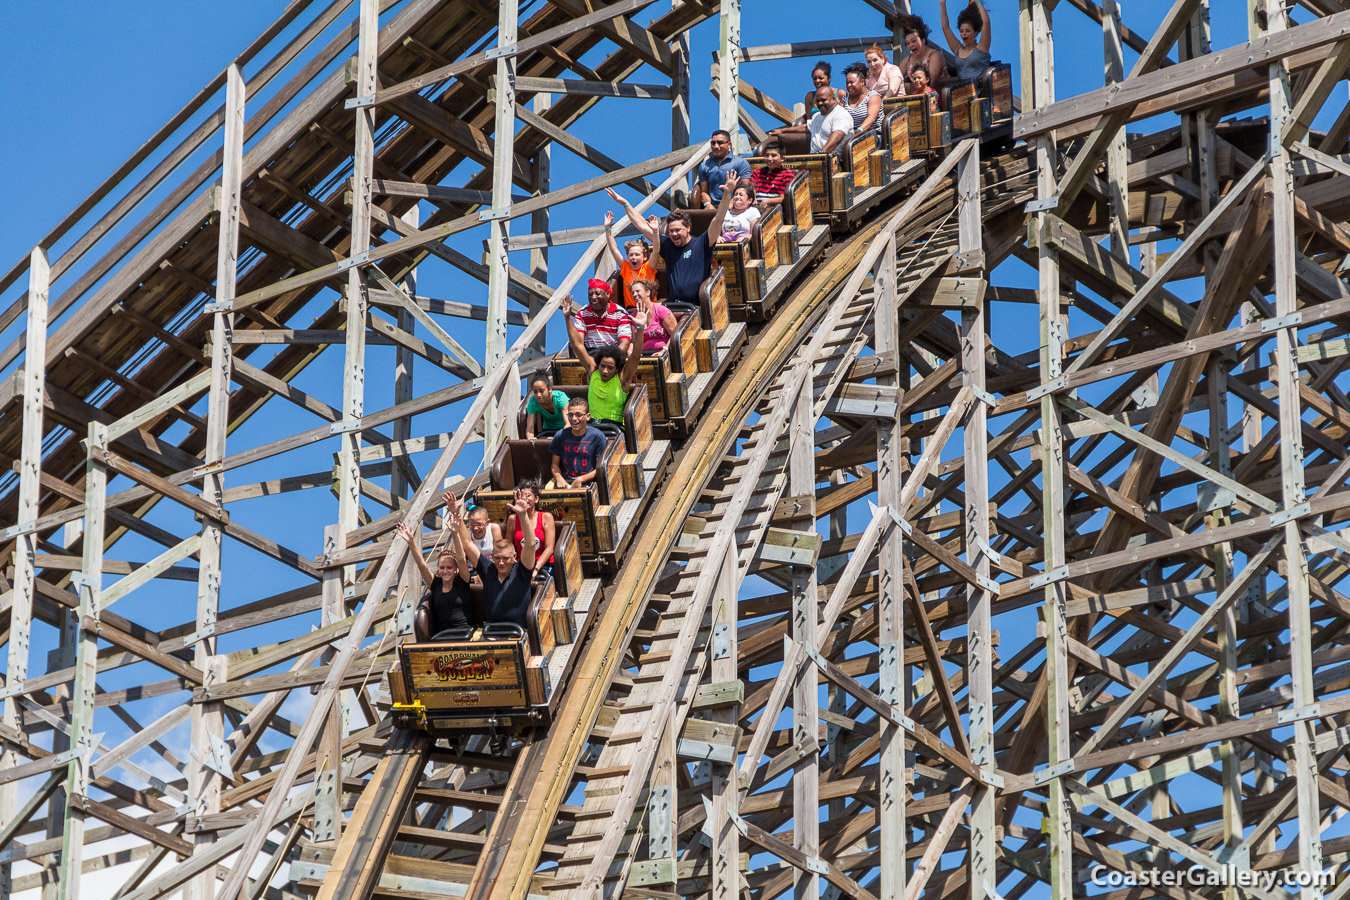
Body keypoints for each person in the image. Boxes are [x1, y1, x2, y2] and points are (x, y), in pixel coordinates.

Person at [618, 171, 739, 306]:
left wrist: (727, 194)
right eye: (671, 231)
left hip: (696, 307)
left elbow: (718, 219)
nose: (674, 234)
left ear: (688, 228)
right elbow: (642, 225)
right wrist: (625, 204)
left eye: (678, 230)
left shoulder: (701, 243)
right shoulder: (667, 244)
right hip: (672, 306)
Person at [395, 496, 479, 640]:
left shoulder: (462, 581)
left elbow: (460, 558)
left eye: (449, 568)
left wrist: (454, 532)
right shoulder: (435, 584)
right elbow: (422, 565)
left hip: (465, 634)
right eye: (442, 568)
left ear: (455, 570)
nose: (445, 571)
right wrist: (411, 542)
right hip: (443, 637)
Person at [450, 489, 537, 628]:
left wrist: (522, 515)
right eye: (497, 558)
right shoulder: (488, 569)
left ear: (514, 557)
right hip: (492, 632)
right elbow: (467, 543)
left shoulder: (522, 570)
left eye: (505, 558)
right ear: (492, 557)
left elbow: (531, 544)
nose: (500, 563)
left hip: (518, 633)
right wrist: (456, 514)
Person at [563, 294, 649, 429]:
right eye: (602, 366)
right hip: (592, 428)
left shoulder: (622, 379)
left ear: (616, 369)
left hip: (614, 430)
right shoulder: (593, 371)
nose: (604, 370)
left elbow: (636, 356)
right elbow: (578, 345)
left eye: (610, 368)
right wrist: (567, 318)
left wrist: (640, 328)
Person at [602, 191, 657, 308]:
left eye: (637, 255)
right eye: (631, 255)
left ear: (644, 257)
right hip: (631, 311)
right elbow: (613, 248)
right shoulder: (626, 267)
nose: (633, 258)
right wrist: (608, 229)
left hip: (649, 308)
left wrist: (655, 231)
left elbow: (657, 249)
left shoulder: (648, 268)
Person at [769, 88, 851, 155]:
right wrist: (782, 130)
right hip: (815, 158)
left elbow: (838, 136)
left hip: (833, 159)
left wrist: (821, 153)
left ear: (833, 99)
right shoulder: (817, 116)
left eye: (823, 100)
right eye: (818, 101)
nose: (820, 103)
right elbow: (806, 127)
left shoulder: (841, 114)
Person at [504, 478, 555, 582]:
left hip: (542, 565)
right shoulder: (513, 519)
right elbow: (509, 545)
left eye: (528, 495)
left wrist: (536, 569)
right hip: (521, 565)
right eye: (522, 496)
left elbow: (549, 548)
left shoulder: (546, 517)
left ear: (536, 499)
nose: (525, 499)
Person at [550, 397, 608, 489]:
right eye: (570, 415)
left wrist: (581, 479)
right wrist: (559, 478)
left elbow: (600, 468)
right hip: (566, 481)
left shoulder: (597, 437)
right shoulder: (560, 435)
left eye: (578, 415)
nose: (574, 419)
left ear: (588, 416)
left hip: (589, 483)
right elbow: (554, 464)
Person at [694, 129, 751, 209]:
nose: (716, 146)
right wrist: (707, 204)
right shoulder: (704, 165)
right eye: (713, 143)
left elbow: (745, 188)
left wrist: (731, 203)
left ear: (729, 144)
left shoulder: (741, 163)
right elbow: (704, 191)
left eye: (720, 143)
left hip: (735, 207)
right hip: (713, 208)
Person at [570, 279, 633, 352]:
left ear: (607, 294)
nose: (593, 297)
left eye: (597, 294)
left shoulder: (620, 314)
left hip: (612, 353)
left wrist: (614, 359)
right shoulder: (583, 313)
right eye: (590, 294)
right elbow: (578, 341)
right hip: (589, 354)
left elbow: (624, 342)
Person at [939, 0, 992, 82]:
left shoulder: (982, 48)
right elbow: (945, 28)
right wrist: (942, 4)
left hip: (979, 89)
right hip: (962, 90)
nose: (964, 34)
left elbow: (986, 23)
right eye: (961, 31)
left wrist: (978, 2)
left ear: (975, 32)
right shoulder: (958, 50)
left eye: (967, 31)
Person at [898, 17, 948, 88]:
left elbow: (931, 81)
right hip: (917, 94)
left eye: (914, 41)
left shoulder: (935, 55)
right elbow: (896, 76)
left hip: (938, 93)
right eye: (908, 43)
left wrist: (907, 87)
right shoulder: (907, 60)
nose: (911, 45)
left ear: (923, 40)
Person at [631, 281, 677, 353]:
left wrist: (664, 351)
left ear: (648, 292)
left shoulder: (661, 311)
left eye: (637, 291)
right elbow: (633, 342)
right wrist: (631, 353)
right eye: (632, 293)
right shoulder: (633, 316)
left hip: (664, 353)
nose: (634, 294)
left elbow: (675, 335)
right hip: (642, 355)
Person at [840, 63, 883, 133]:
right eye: (847, 83)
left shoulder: (873, 97)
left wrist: (859, 131)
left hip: (872, 134)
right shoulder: (845, 99)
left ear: (862, 82)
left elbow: (871, 117)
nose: (849, 85)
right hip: (851, 136)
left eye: (851, 82)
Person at [751, 142, 795, 210]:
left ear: (782, 158)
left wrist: (767, 201)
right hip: (755, 209)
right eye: (767, 155)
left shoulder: (786, 174)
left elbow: (783, 198)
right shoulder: (757, 172)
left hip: (774, 211)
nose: (769, 158)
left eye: (773, 155)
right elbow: (751, 189)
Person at [524, 374, 567, 439]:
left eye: (541, 391)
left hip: (565, 431)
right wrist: (531, 438)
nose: (538, 395)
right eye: (535, 392)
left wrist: (556, 438)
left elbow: (569, 423)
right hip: (547, 431)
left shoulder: (560, 398)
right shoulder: (533, 402)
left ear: (549, 389)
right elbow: (530, 430)